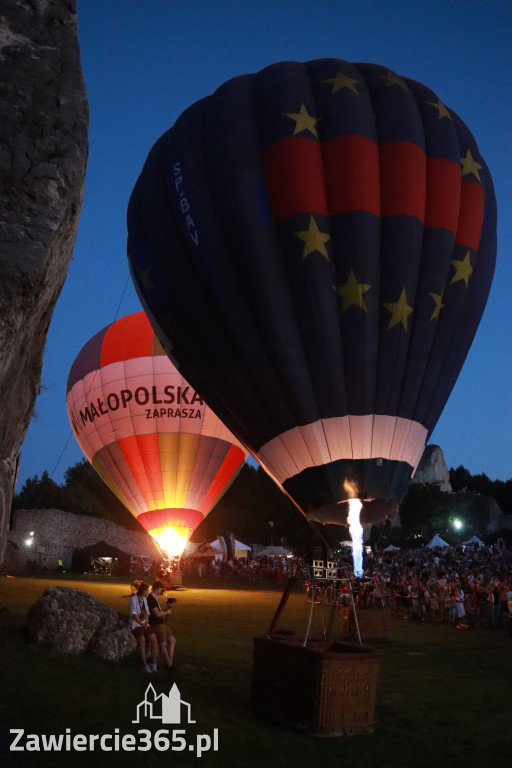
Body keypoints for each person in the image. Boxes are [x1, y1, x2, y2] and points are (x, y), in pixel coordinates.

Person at [129, 582, 158, 673]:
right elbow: (133, 615)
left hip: (144, 623)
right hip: (136, 624)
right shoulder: (134, 599)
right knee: (142, 640)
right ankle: (144, 665)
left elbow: (147, 614)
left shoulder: (144, 600)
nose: (148, 593)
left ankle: (153, 663)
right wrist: (142, 624)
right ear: (143, 591)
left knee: (154, 639)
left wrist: (146, 622)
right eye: (147, 591)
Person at [147, 580, 176, 670]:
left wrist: (166, 609)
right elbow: (157, 614)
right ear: (158, 588)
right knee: (163, 644)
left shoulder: (154, 598)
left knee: (172, 640)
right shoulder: (151, 599)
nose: (162, 591)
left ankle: (169, 663)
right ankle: (169, 665)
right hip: (156, 624)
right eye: (161, 589)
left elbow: (159, 612)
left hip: (161, 623)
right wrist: (167, 611)